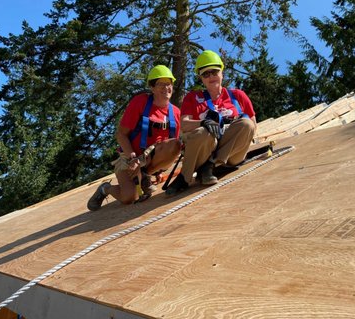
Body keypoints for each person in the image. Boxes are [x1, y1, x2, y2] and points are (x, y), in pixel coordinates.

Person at [88, 65, 182, 210]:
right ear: (152, 87)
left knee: (176, 144)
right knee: (129, 198)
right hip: (129, 157)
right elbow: (121, 134)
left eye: (168, 84)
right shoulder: (140, 103)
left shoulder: (175, 113)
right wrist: (132, 158)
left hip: (150, 159)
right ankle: (105, 189)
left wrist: (159, 170)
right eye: (160, 84)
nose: (166, 88)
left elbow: (170, 146)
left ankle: (145, 176)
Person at [165, 50, 256, 195]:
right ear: (201, 78)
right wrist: (204, 123)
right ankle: (185, 177)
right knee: (202, 131)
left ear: (222, 73)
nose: (211, 76)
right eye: (206, 74)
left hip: (232, 153)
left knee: (246, 124)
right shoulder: (193, 97)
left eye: (214, 72)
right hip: (205, 149)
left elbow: (253, 125)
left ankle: (211, 165)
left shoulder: (238, 96)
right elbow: (184, 124)